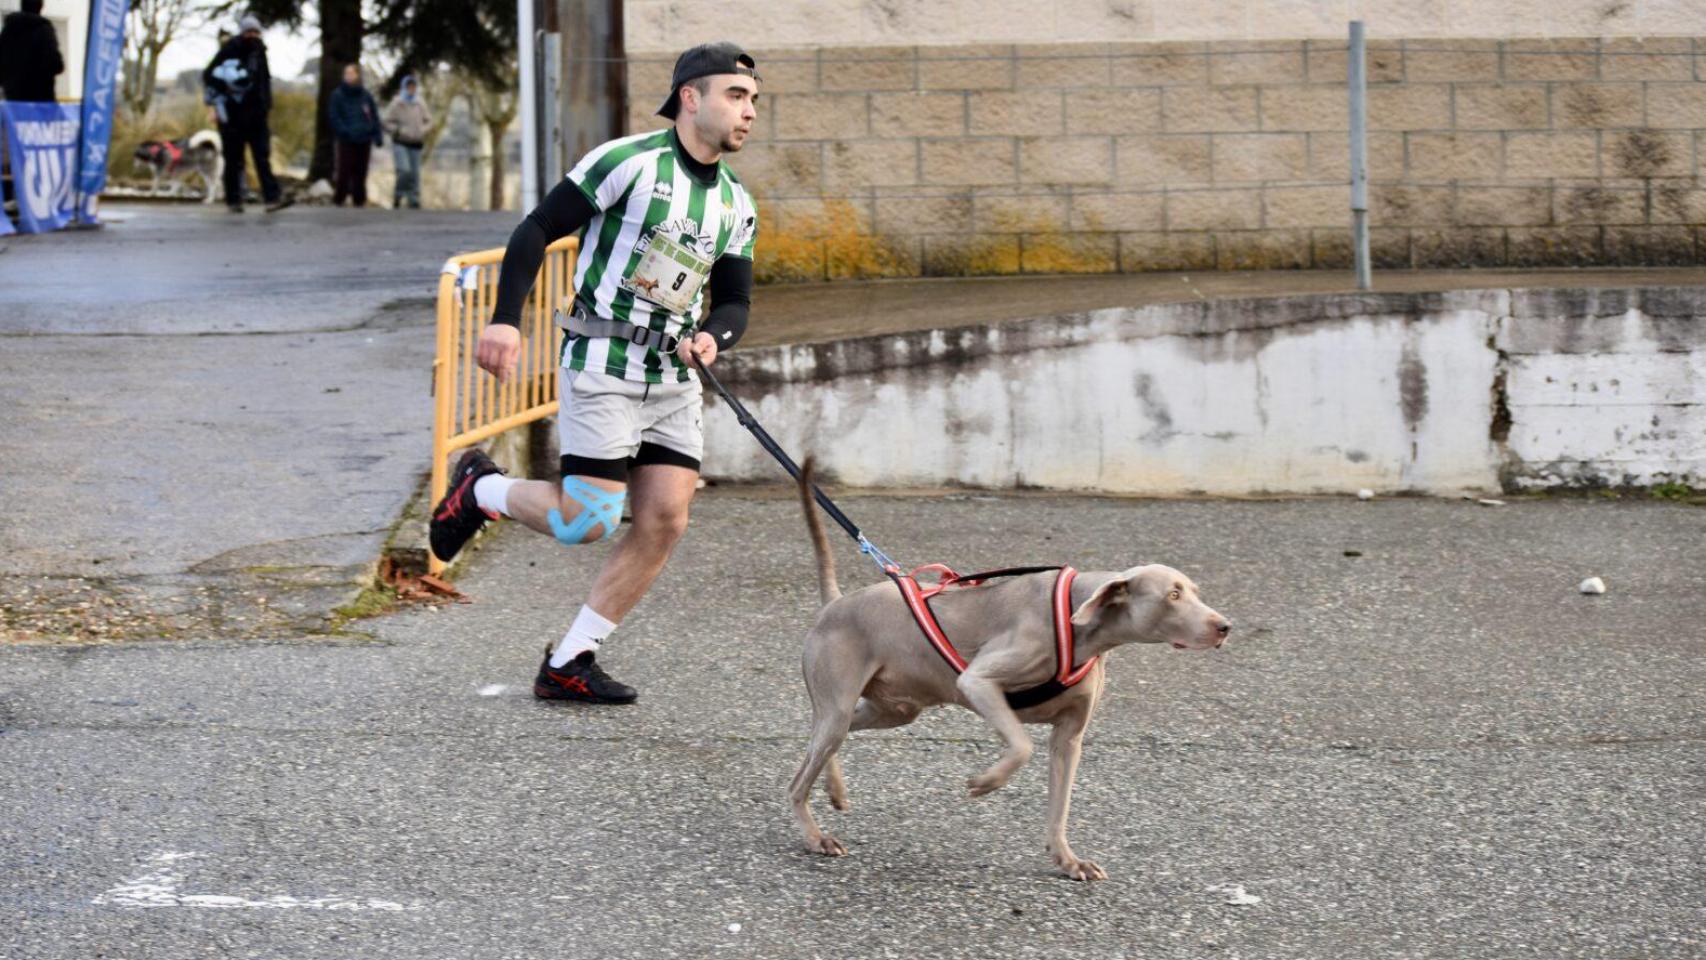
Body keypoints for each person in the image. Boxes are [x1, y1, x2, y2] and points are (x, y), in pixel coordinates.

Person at [428, 42, 761, 705]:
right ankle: (482, 489)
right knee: (586, 520)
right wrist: (504, 319)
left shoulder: (736, 203)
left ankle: (570, 661)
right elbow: (538, 228)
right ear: (690, 97)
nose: (749, 111)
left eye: (754, 100)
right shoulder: (627, 163)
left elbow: (735, 300)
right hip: (603, 363)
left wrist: (713, 336)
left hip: (671, 377)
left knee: (664, 519)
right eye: (736, 95)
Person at [202, 14, 290, 213]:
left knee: (262, 157)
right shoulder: (230, 50)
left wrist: (266, 106)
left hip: (257, 116)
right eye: (249, 31)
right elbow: (208, 76)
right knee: (234, 159)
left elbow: (263, 83)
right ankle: (233, 200)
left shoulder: (260, 52)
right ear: (242, 32)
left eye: (256, 32)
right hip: (233, 116)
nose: (253, 35)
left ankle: (272, 198)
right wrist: (228, 89)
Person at [328, 62, 382, 207]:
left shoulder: (366, 95)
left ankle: (359, 200)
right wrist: (344, 131)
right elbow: (334, 116)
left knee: (361, 171)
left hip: (364, 138)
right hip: (346, 139)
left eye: (351, 73)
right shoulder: (337, 95)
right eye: (346, 73)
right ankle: (339, 199)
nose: (348, 76)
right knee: (344, 170)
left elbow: (374, 116)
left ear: (358, 75)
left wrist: (376, 134)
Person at [0, 0, 63, 103]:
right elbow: (56, 64)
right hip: (41, 99)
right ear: (41, 7)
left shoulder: (8, 30)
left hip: (14, 101)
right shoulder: (44, 29)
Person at [382, 75, 429, 209]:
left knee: (414, 173)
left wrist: (422, 130)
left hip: (416, 142)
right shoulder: (397, 104)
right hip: (401, 142)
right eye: (409, 87)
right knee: (404, 170)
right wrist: (398, 130)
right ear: (404, 87)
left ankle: (414, 199)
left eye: (413, 87)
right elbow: (386, 122)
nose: (411, 89)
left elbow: (429, 121)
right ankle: (398, 194)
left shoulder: (420, 103)